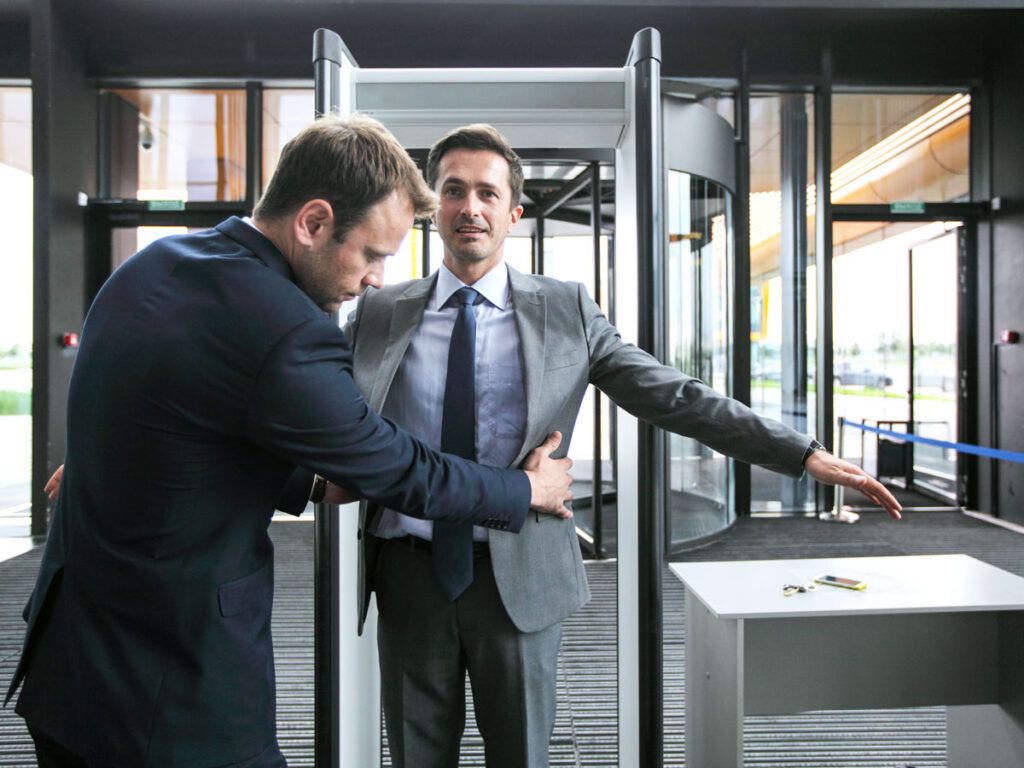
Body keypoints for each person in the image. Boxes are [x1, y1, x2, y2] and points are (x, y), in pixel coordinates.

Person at [6, 115, 574, 768]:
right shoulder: (287, 329)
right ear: (312, 223)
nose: (376, 280)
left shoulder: (160, 263)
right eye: (371, 253)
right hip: (172, 697)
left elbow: (180, 419)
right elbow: (398, 468)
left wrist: (304, 480)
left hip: (71, 670)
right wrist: (526, 486)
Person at [347, 124, 902, 767]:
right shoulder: (379, 312)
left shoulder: (565, 309)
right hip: (412, 571)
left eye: (487, 193)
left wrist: (800, 453)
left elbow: (674, 394)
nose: (470, 207)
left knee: (521, 755)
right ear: (432, 206)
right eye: (453, 190)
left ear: (514, 212)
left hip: (520, 572)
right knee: (414, 757)